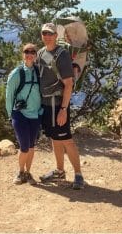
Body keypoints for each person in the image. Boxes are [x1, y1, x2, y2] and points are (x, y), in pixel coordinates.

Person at [36, 22, 85, 189]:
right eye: (44, 33)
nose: (47, 36)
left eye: (50, 33)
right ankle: (59, 170)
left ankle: (78, 175)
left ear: (56, 35)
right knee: (55, 138)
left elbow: (69, 84)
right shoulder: (41, 53)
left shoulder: (61, 54)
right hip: (46, 104)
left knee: (66, 140)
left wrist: (63, 109)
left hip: (58, 104)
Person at [5, 42, 42, 185]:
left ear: (35, 55)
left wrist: (41, 111)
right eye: (27, 52)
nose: (29, 55)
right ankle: (20, 172)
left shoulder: (39, 72)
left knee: (32, 146)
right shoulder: (16, 73)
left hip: (35, 114)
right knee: (24, 146)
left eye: (32, 52)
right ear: (23, 54)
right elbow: (9, 96)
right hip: (19, 114)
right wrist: (11, 115)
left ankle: (28, 172)